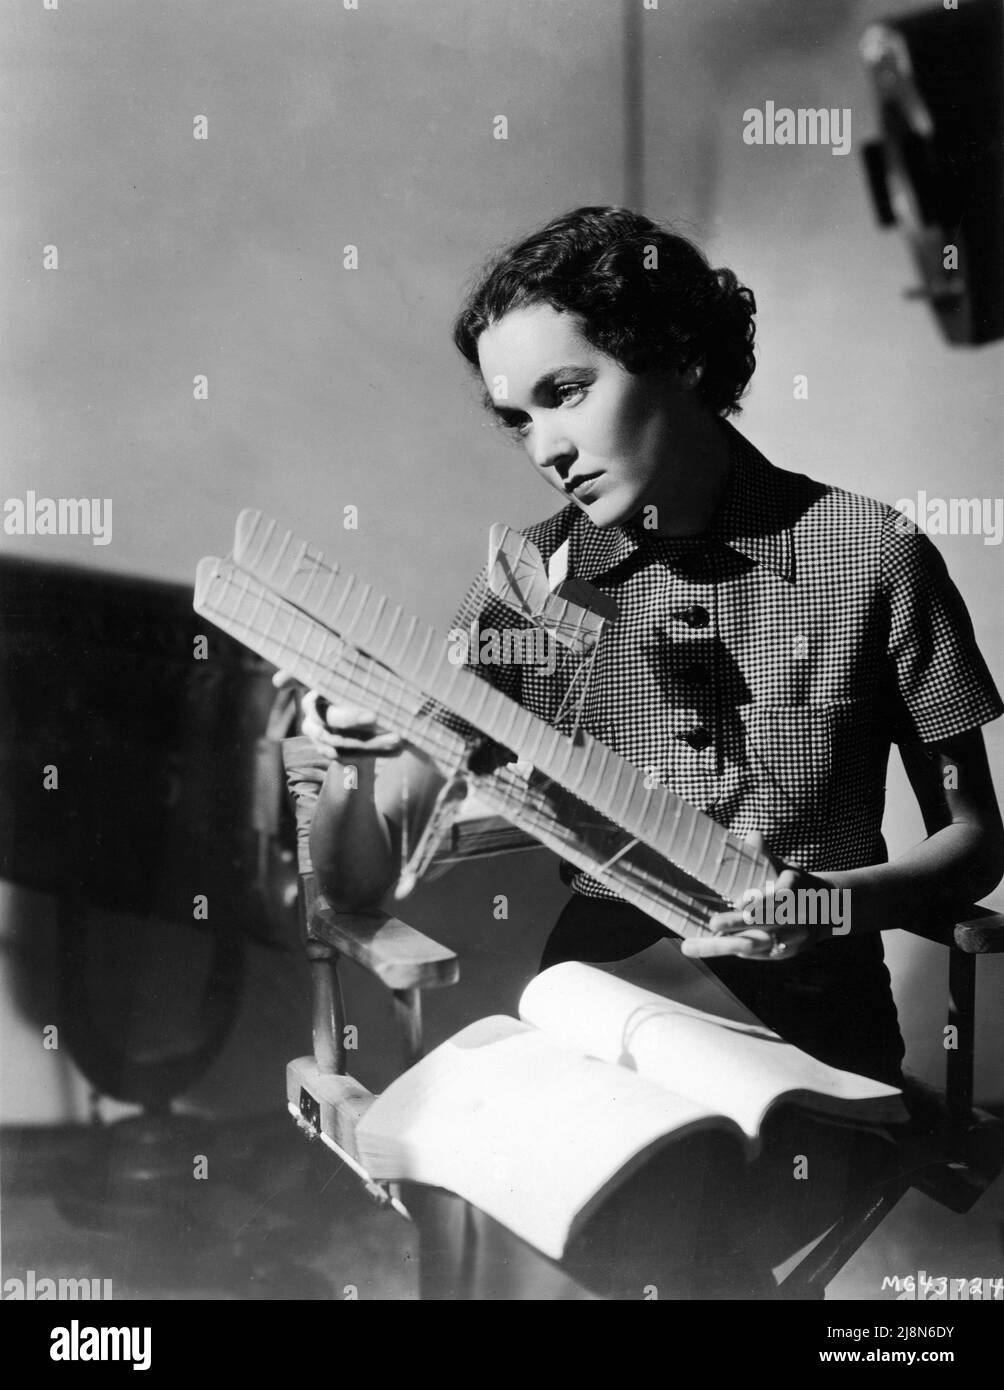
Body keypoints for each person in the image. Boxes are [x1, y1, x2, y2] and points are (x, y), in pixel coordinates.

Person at [280, 207, 1004, 1295]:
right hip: (595, 1001)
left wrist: (823, 904)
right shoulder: (536, 578)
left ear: (677, 355)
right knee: (492, 1198)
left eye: (565, 393)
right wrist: (359, 750)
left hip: (801, 1032)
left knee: (638, 1231)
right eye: (516, 419)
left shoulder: (870, 556)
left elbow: (974, 844)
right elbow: (380, 843)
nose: (546, 449)